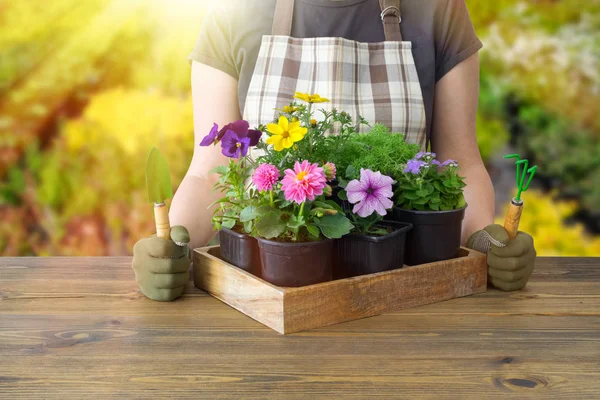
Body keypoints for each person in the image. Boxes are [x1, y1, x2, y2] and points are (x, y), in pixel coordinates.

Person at [132, 0, 536, 301]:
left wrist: (484, 241)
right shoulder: (233, 12)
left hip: (404, 296)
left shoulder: (437, 8)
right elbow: (211, 169)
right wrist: (173, 244)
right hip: (272, 288)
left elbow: (460, 162)